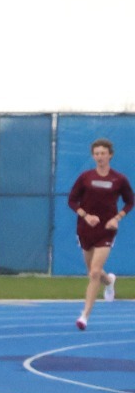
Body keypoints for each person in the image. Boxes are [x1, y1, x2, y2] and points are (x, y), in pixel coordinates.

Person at [68, 138, 131, 330]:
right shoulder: (85, 177)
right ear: (93, 156)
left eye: (103, 153)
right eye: (96, 153)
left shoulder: (119, 179)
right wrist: (85, 216)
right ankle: (109, 280)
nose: (100, 157)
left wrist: (117, 218)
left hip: (106, 230)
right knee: (93, 272)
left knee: (94, 272)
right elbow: (72, 201)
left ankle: (84, 316)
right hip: (86, 229)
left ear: (110, 155)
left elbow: (130, 202)